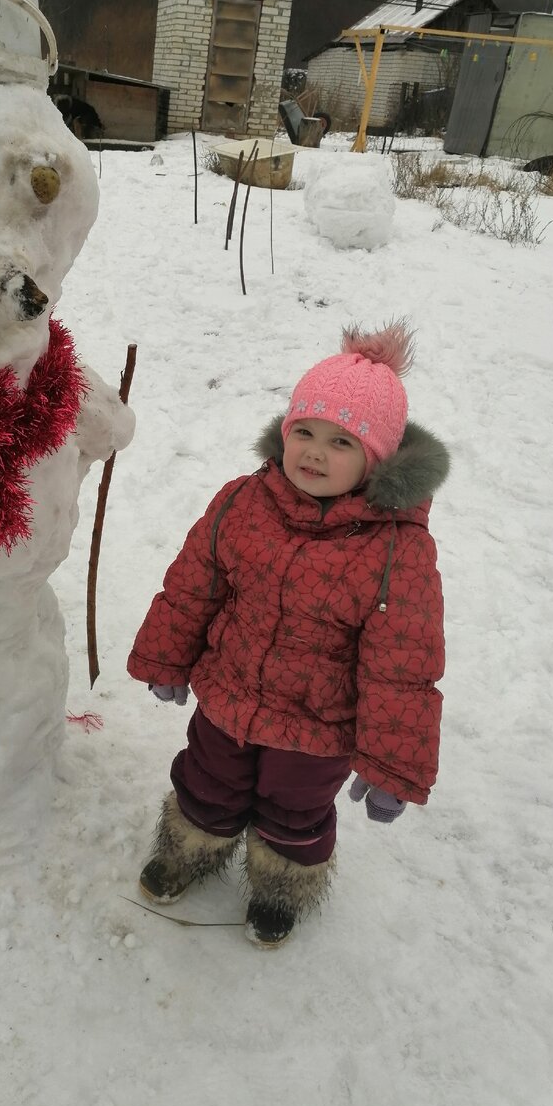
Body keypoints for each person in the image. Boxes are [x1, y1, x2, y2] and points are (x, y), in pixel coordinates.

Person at [127, 322, 448, 949]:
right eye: (303, 431)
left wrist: (392, 764)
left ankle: (281, 889)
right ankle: (190, 850)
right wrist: (167, 658)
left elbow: (403, 665)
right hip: (229, 694)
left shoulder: (397, 551)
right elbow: (195, 585)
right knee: (204, 784)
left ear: (376, 460)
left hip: (318, 727)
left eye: (340, 441)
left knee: (294, 816)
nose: (313, 452)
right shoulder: (245, 501)